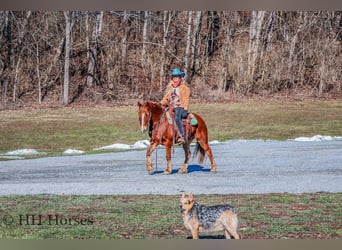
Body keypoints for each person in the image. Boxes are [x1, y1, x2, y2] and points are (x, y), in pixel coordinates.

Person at [160, 68, 190, 144]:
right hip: (170, 106)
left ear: (180, 78)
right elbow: (165, 98)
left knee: (177, 117)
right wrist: (160, 104)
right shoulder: (169, 88)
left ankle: (182, 136)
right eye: (174, 77)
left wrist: (185, 109)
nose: (175, 79)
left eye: (177, 77)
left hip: (179, 106)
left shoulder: (185, 89)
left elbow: (186, 99)